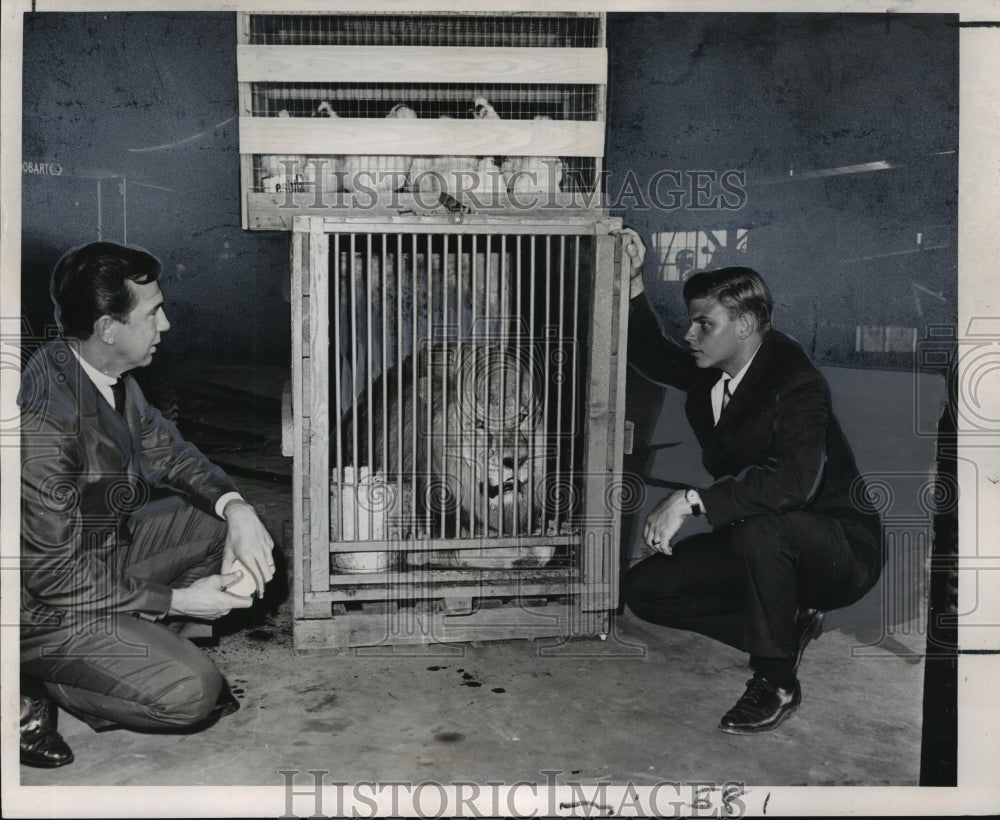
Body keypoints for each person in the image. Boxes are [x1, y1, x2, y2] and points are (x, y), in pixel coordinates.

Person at [616, 228, 883, 734]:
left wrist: (689, 501)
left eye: (702, 325)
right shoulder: (717, 367)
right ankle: (787, 623)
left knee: (764, 524)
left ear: (743, 324)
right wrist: (632, 282)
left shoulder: (795, 381)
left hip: (837, 550)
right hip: (764, 541)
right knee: (646, 588)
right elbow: (653, 355)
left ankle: (776, 679)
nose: (690, 336)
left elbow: (793, 483)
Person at [19, 241, 276, 767]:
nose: (167, 325)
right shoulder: (44, 419)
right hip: (42, 607)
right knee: (193, 693)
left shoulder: (107, 377)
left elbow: (173, 454)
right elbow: (52, 577)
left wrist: (237, 509)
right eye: (153, 312)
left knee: (215, 526)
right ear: (109, 328)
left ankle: (131, 649)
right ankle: (41, 681)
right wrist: (178, 602)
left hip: (98, 561)